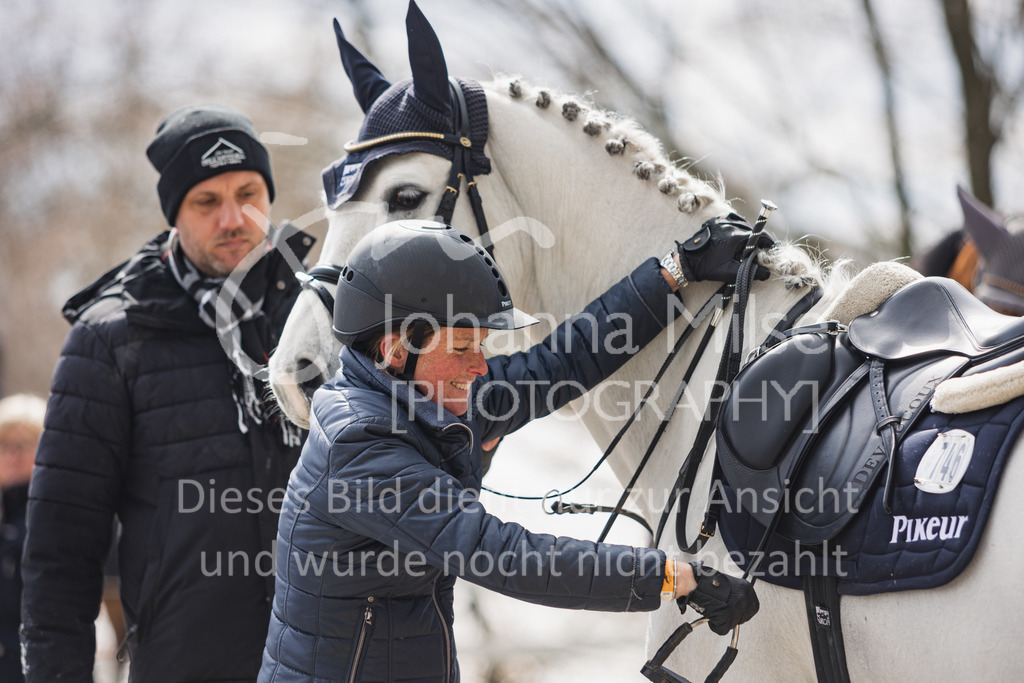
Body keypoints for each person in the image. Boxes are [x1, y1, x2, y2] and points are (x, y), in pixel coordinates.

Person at [259, 219, 763, 682]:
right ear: (395, 349)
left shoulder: (431, 401)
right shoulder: (359, 445)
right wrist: (676, 577)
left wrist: (677, 271)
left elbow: (558, 364)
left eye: (482, 345)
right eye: (462, 347)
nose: (479, 367)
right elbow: (503, 555)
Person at [21, 105, 314, 682]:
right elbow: (61, 552)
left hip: (324, 662)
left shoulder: (317, 318)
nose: (234, 217)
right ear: (175, 212)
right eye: (207, 201)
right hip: (187, 664)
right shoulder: (112, 340)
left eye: (248, 191)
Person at [0, 394, 45, 682]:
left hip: (32, 665)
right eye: (4, 445)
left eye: (24, 444)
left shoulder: (50, 515)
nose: (13, 455)